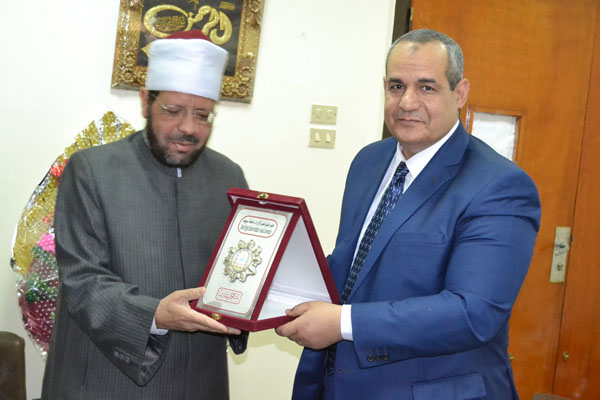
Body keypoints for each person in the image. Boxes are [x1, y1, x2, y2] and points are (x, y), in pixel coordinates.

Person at [276, 28, 541, 399]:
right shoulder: (368, 161)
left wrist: (343, 322)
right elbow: (353, 267)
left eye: (427, 87)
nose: (407, 102)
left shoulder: (500, 185)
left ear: (460, 93)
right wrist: (268, 289)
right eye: (397, 86)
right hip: (337, 385)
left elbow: (472, 313)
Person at [42, 30, 248, 399]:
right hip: (104, 381)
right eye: (173, 111)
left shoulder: (228, 176)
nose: (188, 127)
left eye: (203, 115)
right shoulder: (91, 170)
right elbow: (83, 281)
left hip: (200, 382)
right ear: (144, 101)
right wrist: (155, 314)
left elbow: (241, 270)